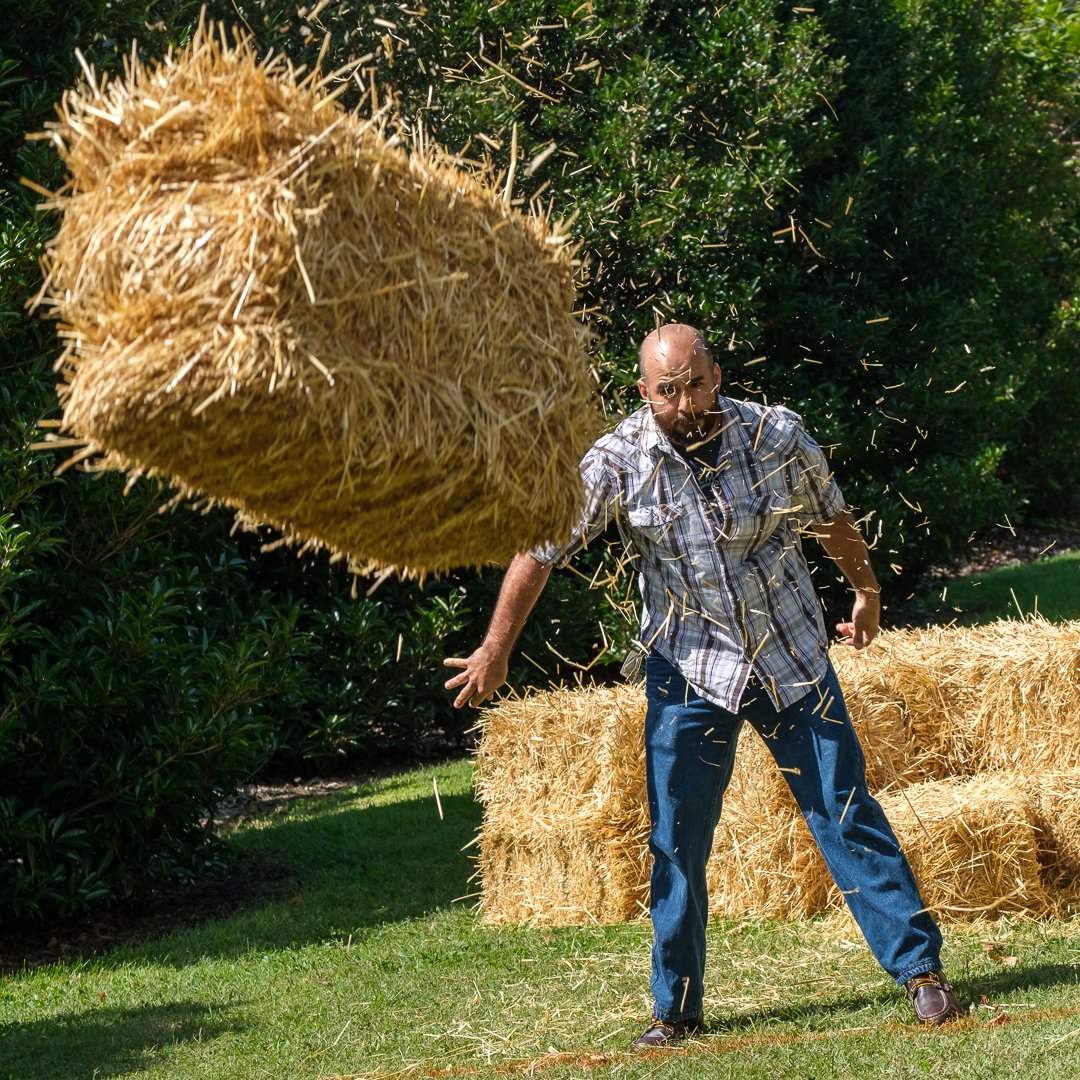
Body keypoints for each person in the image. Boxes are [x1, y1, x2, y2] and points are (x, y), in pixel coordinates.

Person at [443, 323, 960, 1048]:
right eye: (668, 392)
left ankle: (920, 972)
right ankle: (676, 1010)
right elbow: (540, 551)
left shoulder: (776, 435)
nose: (685, 404)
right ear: (644, 393)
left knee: (844, 813)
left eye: (695, 384)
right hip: (688, 673)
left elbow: (829, 514)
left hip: (790, 660)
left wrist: (866, 592)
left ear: (716, 375)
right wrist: (496, 648)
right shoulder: (619, 460)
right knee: (676, 843)